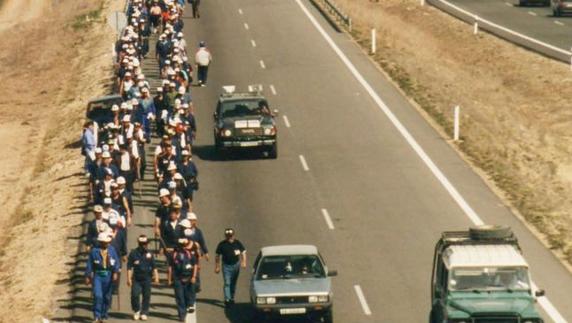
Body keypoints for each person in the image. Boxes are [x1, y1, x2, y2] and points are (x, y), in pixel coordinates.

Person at [85, 233, 121, 323]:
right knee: (98, 295)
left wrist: (115, 272)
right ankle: (97, 316)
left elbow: (116, 262)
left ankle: (104, 313)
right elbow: (89, 264)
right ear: (101, 242)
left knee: (107, 297)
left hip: (108, 275)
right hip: (98, 275)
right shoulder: (94, 251)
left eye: (108, 242)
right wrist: (88, 275)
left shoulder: (112, 250)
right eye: (105, 242)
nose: (107, 244)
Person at [127, 235, 159, 321]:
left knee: (146, 296)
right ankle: (137, 310)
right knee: (134, 295)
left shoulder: (150, 253)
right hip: (136, 278)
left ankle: (144, 312)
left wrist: (156, 277)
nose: (144, 245)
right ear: (139, 244)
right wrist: (128, 279)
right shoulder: (133, 253)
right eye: (142, 244)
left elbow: (154, 266)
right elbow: (129, 267)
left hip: (147, 278)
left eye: (145, 243)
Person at [169, 238, 199, 321]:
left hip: (188, 278)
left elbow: (195, 265)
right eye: (181, 246)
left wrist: (193, 277)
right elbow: (170, 267)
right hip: (178, 279)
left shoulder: (190, 254)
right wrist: (169, 279)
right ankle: (182, 315)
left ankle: (185, 309)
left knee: (187, 297)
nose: (183, 247)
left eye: (184, 245)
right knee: (179, 297)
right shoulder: (174, 255)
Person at [215, 228, 246, 307]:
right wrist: (217, 266)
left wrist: (243, 261)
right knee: (227, 283)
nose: (229, 237)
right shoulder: (222, 244)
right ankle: (227, 299)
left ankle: (232, 297)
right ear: (225, 236)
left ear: (233, 235)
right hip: (226, 266)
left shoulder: (237, 243)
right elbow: (217, 255)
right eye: (228, 236)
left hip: (236, 265)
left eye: (231, 236)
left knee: (233, 283)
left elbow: (243, 252)